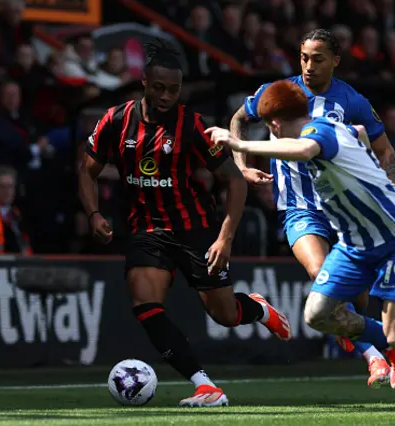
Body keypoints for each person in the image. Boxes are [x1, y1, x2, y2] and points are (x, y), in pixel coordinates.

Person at [207, 80, 395, 422]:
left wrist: (238, 143)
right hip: (356, 242)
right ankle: (390, 344)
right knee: (318, 314)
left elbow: (307, 150)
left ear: (274, 125)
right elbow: (358, 133)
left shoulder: (318, 135)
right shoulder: (337, 129)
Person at [78, 40, 290, 408]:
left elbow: (234, 181)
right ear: (143, 81)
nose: (165, 96)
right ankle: (205, 384)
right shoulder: (115, 120)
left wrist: (224, 238)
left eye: (173, 90)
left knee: (225, 314)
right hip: (146, 229)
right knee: (145, 303)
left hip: (196, 229)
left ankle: (257, 309)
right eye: (158, 88)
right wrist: (94, 213)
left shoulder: (192, 126)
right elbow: (87, 170)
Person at [229, 28, 395, 388]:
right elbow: (239, 119)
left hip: (345, 208)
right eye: (304, 57)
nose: (308, 66)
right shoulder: (280, 93)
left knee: (360, 294)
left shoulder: (351, 101)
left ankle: (363, 330)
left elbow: (386, 152)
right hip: (298, 207)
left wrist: (388, 189)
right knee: (322, 274)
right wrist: (242, 165)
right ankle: (373, 357)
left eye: (317, 59)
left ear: (335, 61)